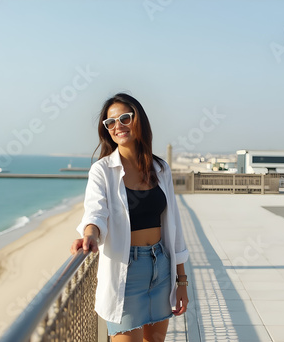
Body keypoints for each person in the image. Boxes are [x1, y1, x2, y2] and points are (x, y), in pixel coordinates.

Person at [70, 93, 189, 342]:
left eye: (125, 118)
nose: (118, 126)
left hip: (161, 268)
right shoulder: (102, 170)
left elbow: (174, 226)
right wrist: (89, 235)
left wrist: (182, 281)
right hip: (126, 273)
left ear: (139, 120)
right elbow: (95, 211)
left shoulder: (160, 168)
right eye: (110, 123)